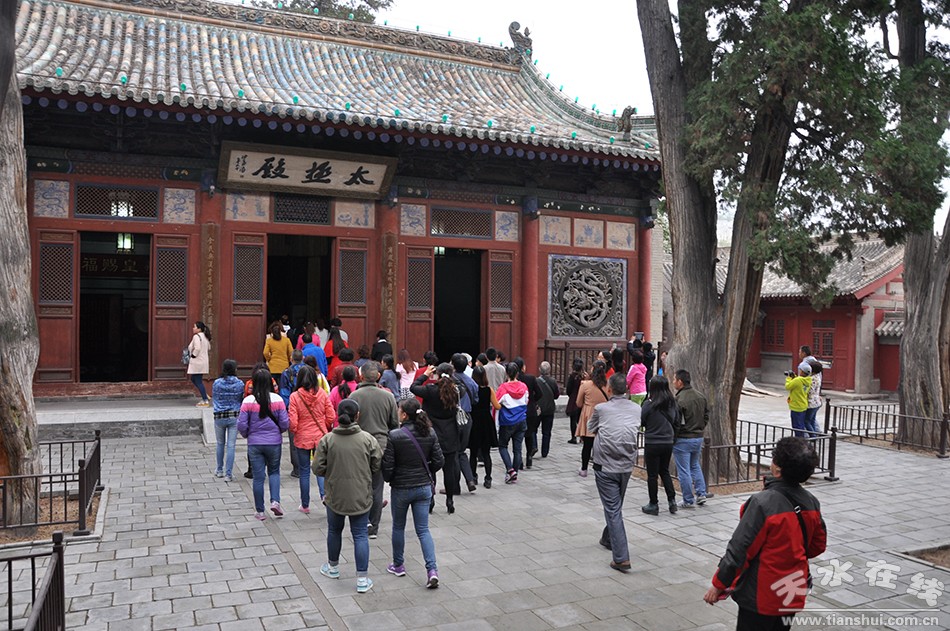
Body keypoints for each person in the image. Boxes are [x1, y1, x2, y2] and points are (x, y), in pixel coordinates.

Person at [704, 437, 827, 631]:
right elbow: (816, 546)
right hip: (791, 589)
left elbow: (740, 549)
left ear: (777, 469)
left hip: (761, 592)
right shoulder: (811, 502)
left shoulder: (762, 503)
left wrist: (719, 584)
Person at [314, 399, 382, 594]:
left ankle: (333, 567)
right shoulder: (368, 439)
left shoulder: (328, 440)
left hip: (335, 495)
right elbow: (377, 464)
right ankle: (362, 579)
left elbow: (317, 468)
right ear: (357, 416)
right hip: (361, 494)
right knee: (360, 534)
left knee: (334, 531)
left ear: (337, 415)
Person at [382, 398, 444, 589]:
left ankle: (398, 565)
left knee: (398, 526)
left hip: (401, 487)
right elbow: (439, 460)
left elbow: (388, 466)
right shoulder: (430, 432)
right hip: (423, 487)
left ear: (404, 414)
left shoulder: (395, 435)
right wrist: (425, 471)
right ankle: (432, 570)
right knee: (423, 530)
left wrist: (391, 478)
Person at [587, 373, 641, 572]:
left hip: (605, 465)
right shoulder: (637, 409)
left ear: (609, 389)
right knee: (615, 506)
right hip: (626, 464)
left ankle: (621, 557)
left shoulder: (601, 409)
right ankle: (607, 537)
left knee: (613, 509)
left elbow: (590, 428)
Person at [348, 362, 400, 539]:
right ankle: (373, 526)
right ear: (378, 376)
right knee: (377, 487)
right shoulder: (388, 397)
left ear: (361, 376)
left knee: (361, 485)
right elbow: (394, 425)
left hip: (359, 445)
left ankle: (362, 521)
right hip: (381, 445)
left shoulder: (354, 396)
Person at [238, 369, 289, 520]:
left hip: (255, 443)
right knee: (274, 472)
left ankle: (260, 511)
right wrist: (279, 431)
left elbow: (241, 424)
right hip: (274, 442)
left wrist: (247, 435)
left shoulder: (248, 401)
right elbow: (284, 422)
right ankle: (275, 501)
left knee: (258, 477)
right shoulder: (278, 399)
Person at [411, 363, 461, 513]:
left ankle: (431, 500)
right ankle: (450, 500)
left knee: (430, 469)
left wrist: (425, 374)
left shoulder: (430, 390)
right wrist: (452, 377)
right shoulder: (456, 391)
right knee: (449, 469)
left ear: (437, 374)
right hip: (450, 434)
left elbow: (414, 387)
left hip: (431, 434)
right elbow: (463, 387)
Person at [288, 365, 335, 512]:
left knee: (304, 471)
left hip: (303, 437)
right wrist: (324, 425)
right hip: (320, 435)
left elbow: (293, 422)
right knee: (321, 469)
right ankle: (324, 495)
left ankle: (305, 504)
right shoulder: (322, 393)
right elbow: (331, 416)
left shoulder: (295, 396)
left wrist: (295, 430)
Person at [640, 375, 679, 516]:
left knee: (652, 475)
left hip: (652, 442)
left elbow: (642, 420)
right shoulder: (672, 404)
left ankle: (653, 503)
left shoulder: (648, 404)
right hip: (667, 441)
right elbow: (676, 421)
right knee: (664, 471)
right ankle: (672, 501)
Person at [673, 369, 710, 508]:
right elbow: (706, 415)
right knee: (694, 465)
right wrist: (700, 427)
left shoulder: (679, 399)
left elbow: (676, 421)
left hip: (684, 438)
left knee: (684, 470)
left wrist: (675, 436)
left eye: (674, 379)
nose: (673, 382)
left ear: (680, 382)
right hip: (698, 436)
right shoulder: (700, 396)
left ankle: (688, 499)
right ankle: (701, 493)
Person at [495, 362, 528, 484]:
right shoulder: (523, 387)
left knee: (503, 446)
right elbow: (526, 401)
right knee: (517, 449)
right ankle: (515, 473)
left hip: (507, 421)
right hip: (521, 419)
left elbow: (496, 403)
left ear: (506, 373)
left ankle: (510, 470)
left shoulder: (503, 388)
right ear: (517, 373)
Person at [576, 361, 610, 477]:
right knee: (601, 444)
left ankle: (584, 468)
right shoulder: (608, 385)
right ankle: (600, 468)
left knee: (587, 445)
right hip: (603, 416)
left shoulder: (585, 385)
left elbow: (578, 403)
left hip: (589, 414)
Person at [212, 359, 244, 482]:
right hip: (234, 416)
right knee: (231, 445)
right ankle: (228, 474)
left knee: (220, 443)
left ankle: (219, 469)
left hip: (219, 416)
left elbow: (215, 398)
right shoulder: (239, 383)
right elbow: (240, 399)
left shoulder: (217, 383)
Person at [451, 353, 479, 492]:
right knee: (461, 451)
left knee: (454, 452)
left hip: (453, 418)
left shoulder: (449, 381)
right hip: (467, 417)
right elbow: (475, 400)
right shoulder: (472, 382)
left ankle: (455, 486)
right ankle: (470, 479)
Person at [469, 365, 500, 488]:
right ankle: (488, 478)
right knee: (486, 453)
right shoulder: (489, 390)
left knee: (473, 452)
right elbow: (497, 406)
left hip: (474, 421)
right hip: (486, 421)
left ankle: (473, 476)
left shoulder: (471, 390)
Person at [279, 350, 305, 478]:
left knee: (294, 439)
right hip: (308, 408)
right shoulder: (309, 371)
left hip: (293, 408)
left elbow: (284, 393)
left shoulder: (287, 373)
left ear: (291, 358)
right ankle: (306, 464)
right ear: (303, 358)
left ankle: (297, 468)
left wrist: (286, 410)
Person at [515, 357, 543, 470]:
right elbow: (539, 393)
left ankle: (519, 461)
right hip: (530, 410)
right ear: (523, 367)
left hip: (518, 410)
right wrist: (532, 400)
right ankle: (529, 458)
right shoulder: (531, 378)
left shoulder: (513, 380)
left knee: (518, 436)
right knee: (530, 433)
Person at [536, 361, 560, 458]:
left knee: (533, 429)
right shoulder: (553, 381)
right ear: (549, 370)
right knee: (546, 432)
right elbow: (556, 395)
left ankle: (533, 446)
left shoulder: (536, 381)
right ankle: (545, 452)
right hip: (549, 409)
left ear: (539, 369)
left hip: (538, 409)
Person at [187, 321, 212, 407]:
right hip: (203, 361)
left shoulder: (196, 336)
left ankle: (205, 400)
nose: (193, 328)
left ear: (199, 329)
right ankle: (204, 394)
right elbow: (209, 347)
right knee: (194, 379)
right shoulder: (205, 337)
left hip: (197, 361)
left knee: (197, 380)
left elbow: (197, 348)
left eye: (194, 327)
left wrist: (193, 355)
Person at [785, 362, 813, 438]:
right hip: (803, 404)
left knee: (796, 425)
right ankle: (801, 438)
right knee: (801, 424)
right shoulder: (808, 379)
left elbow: (788, 386)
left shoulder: (798, 380)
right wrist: (794, 377)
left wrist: (788, 378)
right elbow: (798, 384)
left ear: (802, 371)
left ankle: (799, 439)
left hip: (796, 405)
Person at [565, 358, 586, 444]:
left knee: (573, 420)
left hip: (574, 399)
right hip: (583, 398)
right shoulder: (584, 376)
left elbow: (568, 389)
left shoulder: (572, 376)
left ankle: (573, 437)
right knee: (581, 419)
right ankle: (582, 437)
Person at [804, 360, 823, 436]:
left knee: (806, 421)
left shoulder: (811, 379)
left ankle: (813, 436)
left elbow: (808, 391)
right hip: (817, 401)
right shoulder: (818, 377)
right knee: (812, 420)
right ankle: (815, 434)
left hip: (811, 402)